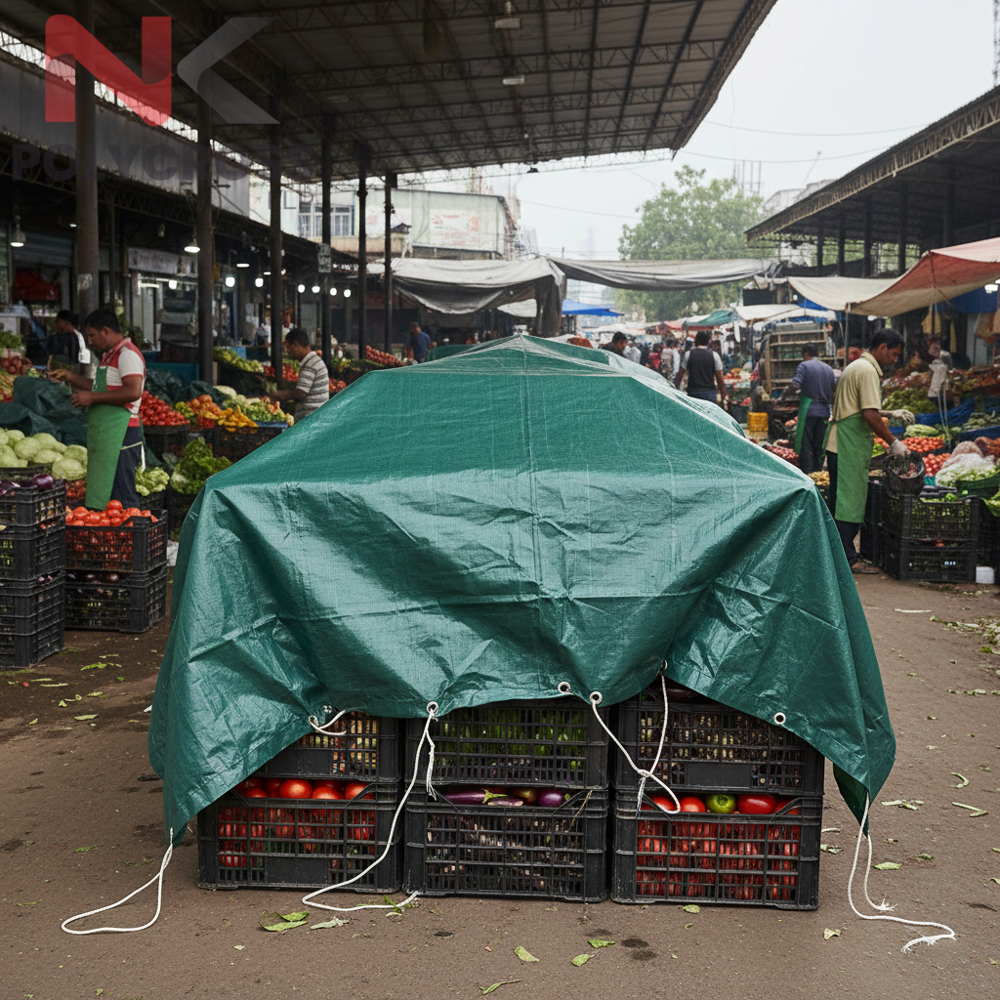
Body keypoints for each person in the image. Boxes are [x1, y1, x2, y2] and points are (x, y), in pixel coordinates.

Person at [825, 328, 915, 573]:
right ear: (883, 348)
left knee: (840, 501)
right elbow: (868, 414)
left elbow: (859, 407)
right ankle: (848, 559)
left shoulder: (857, 366)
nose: (895, 360)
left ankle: (839, 556)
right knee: (848, 502)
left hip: (840, 443)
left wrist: (888, 413)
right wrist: (893, 442)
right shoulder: (867, 371)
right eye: (894, 354)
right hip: (847, 444)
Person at [47, 307, 145, 510]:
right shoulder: (111, 355)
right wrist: (71, 377)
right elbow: (101, 387)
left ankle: (132, 538)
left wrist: (92, 397)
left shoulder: (127, 355)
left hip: (122, 433)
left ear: (106, 331)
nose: (90, 341)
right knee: (110, 496)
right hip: (108, 434)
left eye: (92, 335)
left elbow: (133, 391)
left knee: (123, 494)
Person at [791, 344, 836, 475]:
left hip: (809, 410)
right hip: (824, 412)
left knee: (805, 445)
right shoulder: (828, 368)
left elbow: (795, 384)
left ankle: (805, 474)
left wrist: (786, 395)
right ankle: (818, 473)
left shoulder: (804, 366)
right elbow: (833, 389)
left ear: (805, 354)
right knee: (819, 446)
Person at [268, 327, 329, 421]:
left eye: (288, 348)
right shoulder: (313, 361)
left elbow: (300, 393)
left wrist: (280, 395)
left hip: (311, 419)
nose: (287, 351)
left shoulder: (310, 364)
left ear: (296, 345)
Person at [676, 330, 726, 405]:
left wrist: (676, 392)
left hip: (693, 393)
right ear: (708, 342)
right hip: (709, 393)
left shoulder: (688, 354)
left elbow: (680, 376)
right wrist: (724, 396)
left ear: (696, 341)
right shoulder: (714, 355)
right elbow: (720, 379)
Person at [47, 310, 94, 379]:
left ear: (66, 322)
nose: (55, 324)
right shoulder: (77, 336)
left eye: (58, 321)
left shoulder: (71, 338)